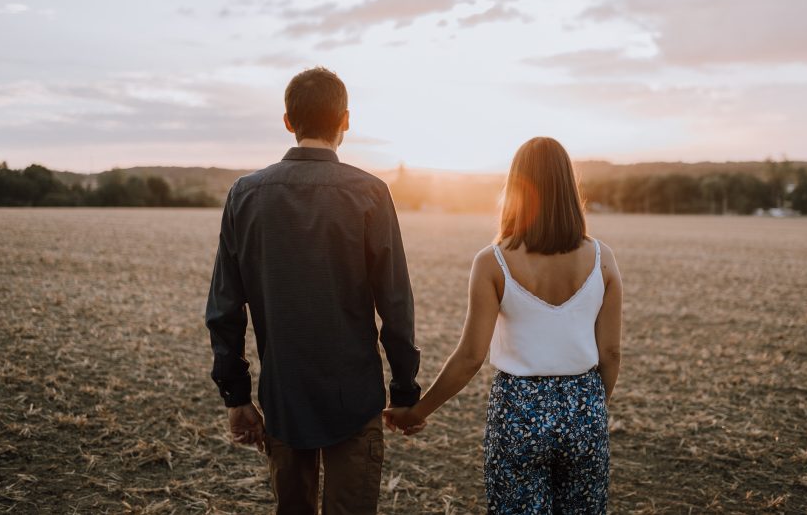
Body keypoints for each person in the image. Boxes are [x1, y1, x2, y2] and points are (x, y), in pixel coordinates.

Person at [205, 66, 421, 515]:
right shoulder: (372, 194)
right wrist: (403, 391)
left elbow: (224, 308)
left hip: (284, 396)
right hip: (356, 398)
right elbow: (395, 304)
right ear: (345, 120)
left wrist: (237, 396)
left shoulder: (244, 195)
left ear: (287, 120)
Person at [385, 136, 623, 513]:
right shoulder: (602, 258)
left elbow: (469, 357)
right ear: (569, 187)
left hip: (517, 409)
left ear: (516, 188)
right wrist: (591, 406)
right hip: (585, 406)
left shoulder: (492, 262)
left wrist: (417, 411)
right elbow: (610, 352)